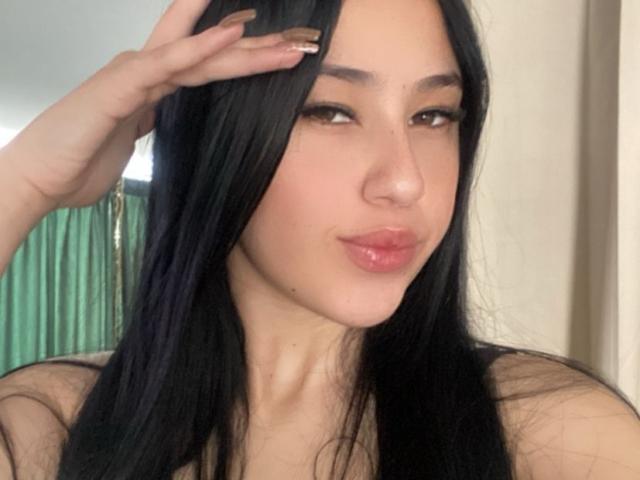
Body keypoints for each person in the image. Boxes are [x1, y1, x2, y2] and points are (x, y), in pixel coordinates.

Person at [0, 0, 638, 478]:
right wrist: (24, 180)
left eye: (432, 114)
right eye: (330, 111)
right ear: (218, 138)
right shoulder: (45, 429)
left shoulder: (557, 436)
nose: (405, 181)